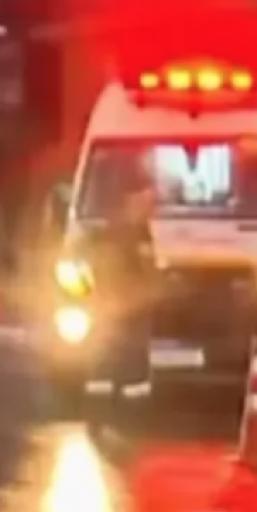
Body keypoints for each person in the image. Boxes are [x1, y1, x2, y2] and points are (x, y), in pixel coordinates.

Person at [80, 162, 158, 428]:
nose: (150, 207)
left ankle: (109, 407)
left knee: (112, 356)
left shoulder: (107, 229)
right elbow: (145, 267)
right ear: (131, 200)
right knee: (125, 356)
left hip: (112, 305)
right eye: (146, 200)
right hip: (125, 306)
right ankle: (120, 407)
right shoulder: (135, 232)